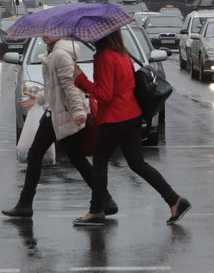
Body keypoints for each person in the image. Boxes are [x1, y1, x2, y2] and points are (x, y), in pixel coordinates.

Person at [72, 30, 191, 226]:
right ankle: (175, 200)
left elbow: (104, 94)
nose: (89, 36)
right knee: (137, 163)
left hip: (114, 118)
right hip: (132, 115)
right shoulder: (122, 53)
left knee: (100, 163)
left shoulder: (104, 57)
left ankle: (96, 210)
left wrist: (80, 79)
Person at [2, 38, 118, 218]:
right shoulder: (53, 53)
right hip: (56, 112)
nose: (44, 35)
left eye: (49, 32)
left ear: (59, 34)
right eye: (43, 32)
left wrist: (79, 111)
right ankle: (106, 200)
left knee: (36, 154)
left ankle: (25, 204)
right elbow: (53, 89)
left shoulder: (60, 55)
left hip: (60, 114)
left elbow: (70, 87)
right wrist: (38, 98)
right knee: (76, 159)